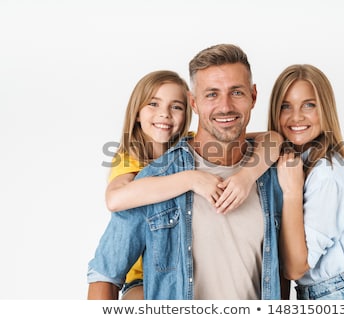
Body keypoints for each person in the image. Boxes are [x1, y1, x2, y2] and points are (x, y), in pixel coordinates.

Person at [87, 43, 285, 300]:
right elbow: (105, 274)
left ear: (253, 96)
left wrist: (248, 174)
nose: (225, 106)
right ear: (194, 101)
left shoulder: (272, 175)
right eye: (211, 94)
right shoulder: (152, 181)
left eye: (236, 92)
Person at [270, 64, 344, 300]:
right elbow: (256, 139)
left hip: (340, 295)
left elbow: (295, 267)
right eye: (285, 106)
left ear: (325, 109)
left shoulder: (326, 175)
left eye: (309, 105)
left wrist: (291, 193)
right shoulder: (299, 160)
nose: (296, 116)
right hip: (326, 294)